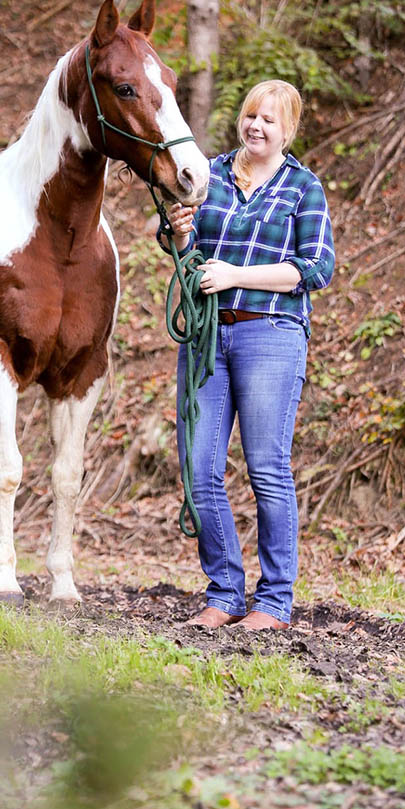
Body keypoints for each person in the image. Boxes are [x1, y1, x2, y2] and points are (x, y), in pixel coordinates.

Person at [166, 79, 335, 630]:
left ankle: (274, 601)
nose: (256, 126)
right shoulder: (208, 173)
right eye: (251, 116)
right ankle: (224, 593)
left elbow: (316, 269)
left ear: (288, 131)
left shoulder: (303, 188)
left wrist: (238, 275)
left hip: (271, 334)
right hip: (207, 333)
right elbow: (189, 255)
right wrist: (177, 233)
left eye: (270, 120)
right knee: (200, 469)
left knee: (266, 468)